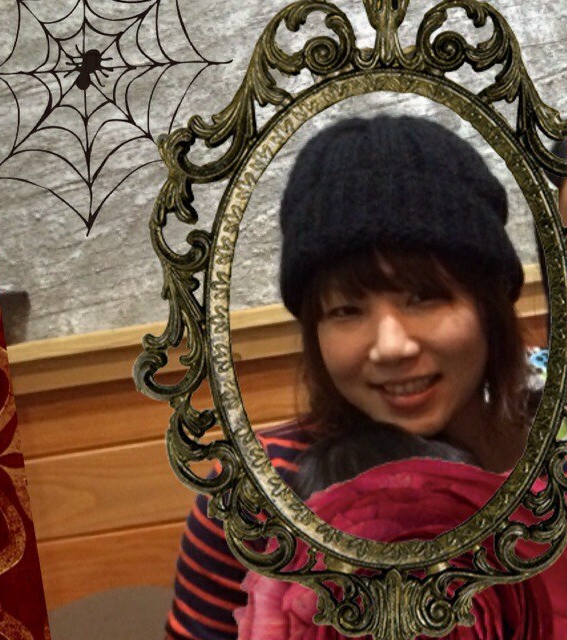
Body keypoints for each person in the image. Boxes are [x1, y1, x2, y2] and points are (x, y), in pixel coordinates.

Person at [164, 116, 547, 639]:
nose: (391, 346)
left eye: (424, 296)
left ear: (491, 303)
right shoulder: (252, 492)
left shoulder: (550, 458)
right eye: (346, 309)